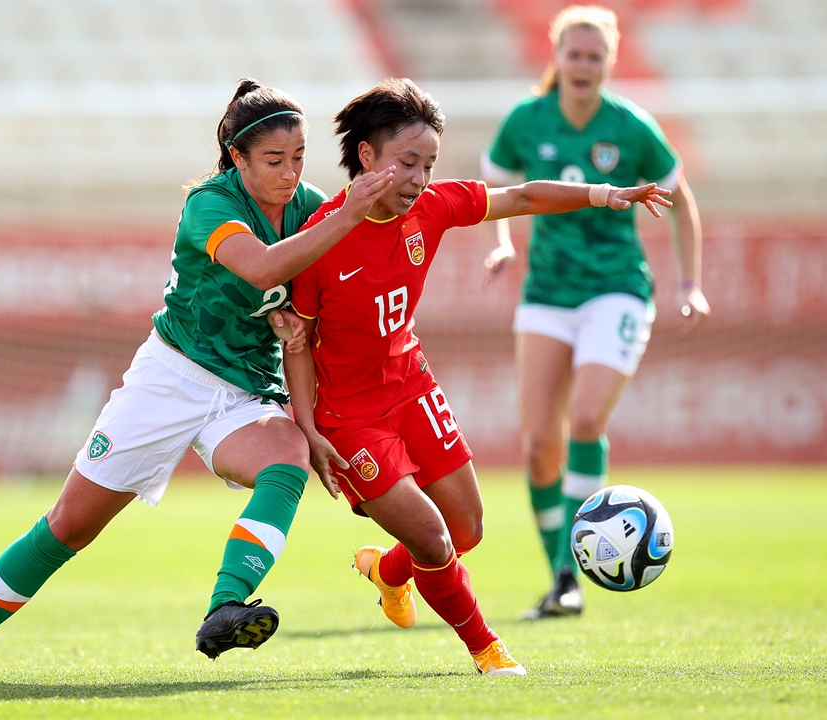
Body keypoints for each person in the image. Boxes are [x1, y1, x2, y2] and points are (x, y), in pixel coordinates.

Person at [0, 79, 395, 681]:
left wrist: (301, 326)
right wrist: (348, 217)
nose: (290, 173)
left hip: (247, 390)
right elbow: (261, 267)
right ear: (237, 157)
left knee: (288, 460)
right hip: (172, 378)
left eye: (300, 157)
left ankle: (225, 607)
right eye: (274, 160)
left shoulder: (310, 206)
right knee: (67, 527)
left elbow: (331, 286)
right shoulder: (210, 203)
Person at [284, 78, 671, 676]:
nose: (419, 178)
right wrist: (308, 430)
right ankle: (488, 651)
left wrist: (600, 193)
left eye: (429, 164)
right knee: (435, 541)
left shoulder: (431, 208)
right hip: (351, 418)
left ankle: (387, 571)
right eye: (407, 162)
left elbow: (519, 197)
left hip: (412, 386)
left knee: (467, 529)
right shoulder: (321, 239)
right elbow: (299, 344)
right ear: (367, 155)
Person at [479, 5, 708, 619]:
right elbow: (492, 194)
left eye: (594, 55)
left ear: (609, 61)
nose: (582, 65)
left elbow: (681, 202)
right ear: (555, 58)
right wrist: (501, 243)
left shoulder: (631, 127)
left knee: (584, 420)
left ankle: (570, 569)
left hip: (616, 290)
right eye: (573, 54)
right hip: (547, 294)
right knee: (536, 448)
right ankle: (562, 575)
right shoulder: (526, 121)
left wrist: (690, 283)